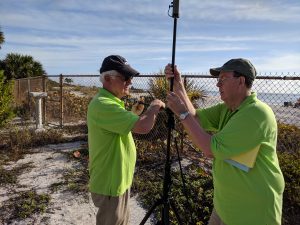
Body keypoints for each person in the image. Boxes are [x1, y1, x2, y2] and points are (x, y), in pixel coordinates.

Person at [164, 58, 285, 225]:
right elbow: (196, 117)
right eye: (217, 80)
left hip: (252, 211)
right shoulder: (228, 108)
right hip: (224, 206)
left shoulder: (256, 113)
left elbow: (210, 148)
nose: (217, 85)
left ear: (241, 81)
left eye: (223, 79)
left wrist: (182, 114)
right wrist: (178, 85)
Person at [88, 55, 165, 225]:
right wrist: (154, 107)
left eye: (130, 77)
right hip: (111, 184)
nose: (130, 82)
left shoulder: (111, 101)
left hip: (117, 181)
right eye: (125, 78)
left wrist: (135, 113)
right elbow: (143, 127)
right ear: (107, 78)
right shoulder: (104, 104)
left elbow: (121, 126)